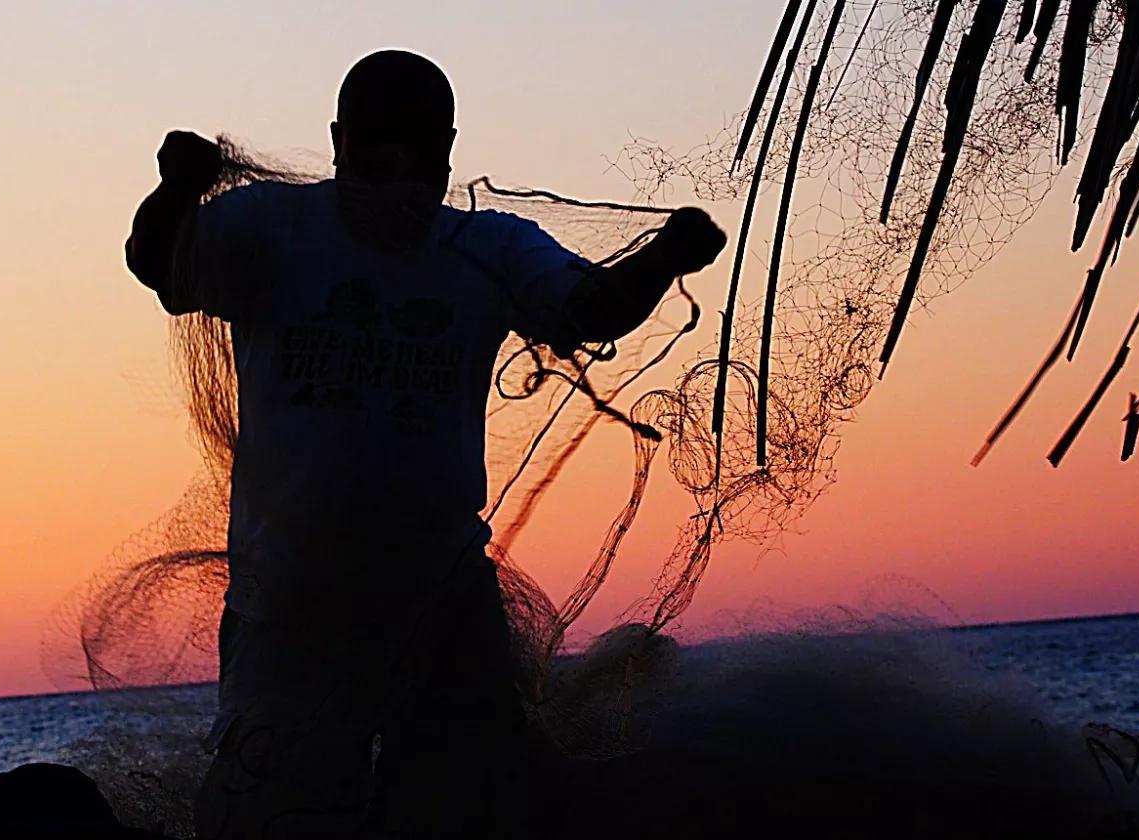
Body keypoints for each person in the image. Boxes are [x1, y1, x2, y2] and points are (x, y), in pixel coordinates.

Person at [123, 49, 725, 838]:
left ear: (447, 148)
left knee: (471, 803)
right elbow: (159, 269)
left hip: (441, 597)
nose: (399, 165)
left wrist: (663, 260)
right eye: (379, 144)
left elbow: (585, 311)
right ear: (339, 141)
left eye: (418, 147)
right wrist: (176, 192)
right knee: (275, 808)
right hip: (291, 604)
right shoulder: (271, 225)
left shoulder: (491, 248)